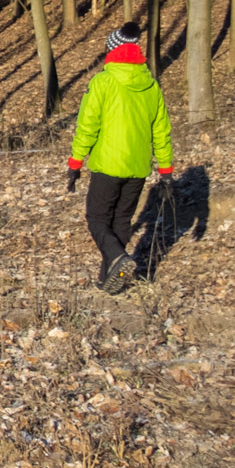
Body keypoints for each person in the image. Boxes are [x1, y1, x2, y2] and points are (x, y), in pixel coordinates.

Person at [66, 21, 174, 293]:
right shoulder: (151, 85)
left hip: (108, 165)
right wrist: (166, 169)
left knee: (97, 219)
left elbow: (87, 125)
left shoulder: (102, 82)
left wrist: (75, 162)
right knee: (121, 222)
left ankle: (118, 259)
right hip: (138, 167)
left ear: (111, 52)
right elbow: (161, 130)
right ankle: (108, 280)